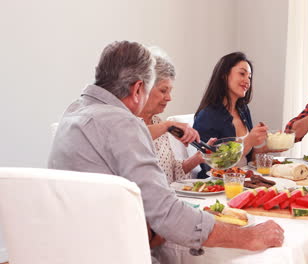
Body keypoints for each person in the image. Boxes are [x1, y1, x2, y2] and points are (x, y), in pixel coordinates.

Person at [48, 41, 284, 262]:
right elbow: (167, 215)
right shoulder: (124, 123)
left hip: (73, 246)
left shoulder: (73, 111)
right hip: (118, 251)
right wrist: (249, 237)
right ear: (139, 88)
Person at [193, 52, 269, 178]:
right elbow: (211, 165)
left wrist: (266, 147)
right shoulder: (207, 116)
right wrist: (248, 142)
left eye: (249, 77)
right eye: (242, 73)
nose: (247, 81)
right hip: (218, 185)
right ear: (224, 75)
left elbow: (248, 159)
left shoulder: (243, 110)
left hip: (243, 179)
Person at [138, 47, 205, 183]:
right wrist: (168, 126)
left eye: (170, 91)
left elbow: (171, 171)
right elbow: (135, 135)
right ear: (144, 87)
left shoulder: (157, 121)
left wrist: (199, 156)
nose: (169, 98)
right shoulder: (127, 123)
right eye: (163, 90)